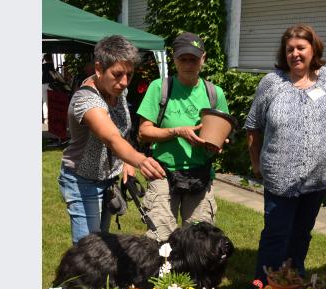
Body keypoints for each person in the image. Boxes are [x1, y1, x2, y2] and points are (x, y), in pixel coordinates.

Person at [245, 24, 326, 282]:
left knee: (302, 233)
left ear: (313, 49)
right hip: (280, 177)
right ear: (284, 53)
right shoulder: (272, 83)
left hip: (318, 178)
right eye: (290, 49)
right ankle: (264, 288)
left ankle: (294, 283)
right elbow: (253, 126)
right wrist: (256, 163)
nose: (295, 54)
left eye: (301, 48)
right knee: (276, 234)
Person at [59, 35, 166, 245]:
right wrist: (139, 159)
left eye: (129, 74)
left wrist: (126, 162)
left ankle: (100, 278)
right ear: (99, 68)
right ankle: (76, 279)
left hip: (107, 179)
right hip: (82, 180)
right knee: (88, 250)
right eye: (117, 74)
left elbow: (122, 128)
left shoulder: (118, 91)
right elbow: (112, 138)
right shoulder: (86, 100)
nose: (124, 82)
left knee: (102, 244)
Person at [136, 32, 230, 241]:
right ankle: (160, 274)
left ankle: (192, 276)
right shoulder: (159, 88)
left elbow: (223, 131)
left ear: (203, 59)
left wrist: (219, 143)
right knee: (159, 240)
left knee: (200, 244)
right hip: (163, 174)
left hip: (200, 175)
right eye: (183, 58)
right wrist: (177, 131)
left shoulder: (215, 93)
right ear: (174, 59)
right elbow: (144, 132)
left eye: (194, 59)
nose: (188, 64)